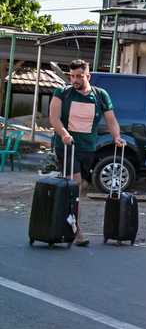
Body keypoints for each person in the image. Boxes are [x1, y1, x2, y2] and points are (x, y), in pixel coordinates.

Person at [48, 59, 125, 247]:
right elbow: (53, 118)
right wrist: (64, 134)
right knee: (74, 183)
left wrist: (117, 137)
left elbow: (111, 120)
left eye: (79, 76)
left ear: (88, 76)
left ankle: (63, 220)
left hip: (88, 148)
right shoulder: (62, 93)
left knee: (80, 187)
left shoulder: (100, 95)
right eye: (72, 76)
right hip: (66, 145)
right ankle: (76, 230)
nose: (74, 80)